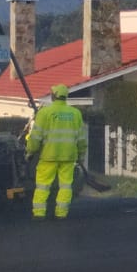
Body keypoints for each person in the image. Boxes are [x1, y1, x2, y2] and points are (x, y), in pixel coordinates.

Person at [26, 84, 87, 220]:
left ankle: (39, 213)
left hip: (49, 156)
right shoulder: (75, 113)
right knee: (65, 186)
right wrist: (81, 156)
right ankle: (61, 213)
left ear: (53, 96)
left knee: (43, 186)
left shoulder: (45, 113)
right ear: (66, 96)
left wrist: (30, 152)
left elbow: (36, 137)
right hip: (68, 157)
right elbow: (81, 139)